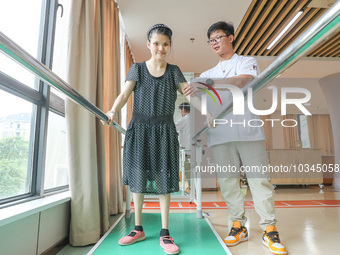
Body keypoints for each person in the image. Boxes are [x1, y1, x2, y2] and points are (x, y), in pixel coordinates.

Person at [102, 24, 211, 255]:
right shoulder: (137, 69)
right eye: (157, 43)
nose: (161, 48)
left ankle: (165, 232)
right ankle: (137, 228)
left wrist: (207, 113)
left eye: (166, 44)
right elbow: (124, 94)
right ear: (149, 44)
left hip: (164, 130)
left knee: (163, 178)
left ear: (169, 46)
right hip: (139, 128)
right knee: (138, 176)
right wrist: (112, 111)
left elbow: (190, 95)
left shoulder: (174, 71)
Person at [184, 21, 287, 255]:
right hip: (219, 133)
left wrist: (207, 84)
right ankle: (238, 225)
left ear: (231, 38)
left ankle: (269, 229)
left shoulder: (246, 62)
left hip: (247, 129)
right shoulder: (207, 73)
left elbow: (241, 82)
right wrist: (203, 96)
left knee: (259, 180)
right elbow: (195, 96)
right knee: (229, 182)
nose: (214, 43)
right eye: (210, 40)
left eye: (217, 38)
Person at [175, 102, 191, 193]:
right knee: (190, 170)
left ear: (183, 110)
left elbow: (172, 126)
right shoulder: (193, 119)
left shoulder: (185, 119)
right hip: (193, 148)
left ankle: (191, 188)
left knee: (187, 170)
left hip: (187, 149)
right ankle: (191, 187)